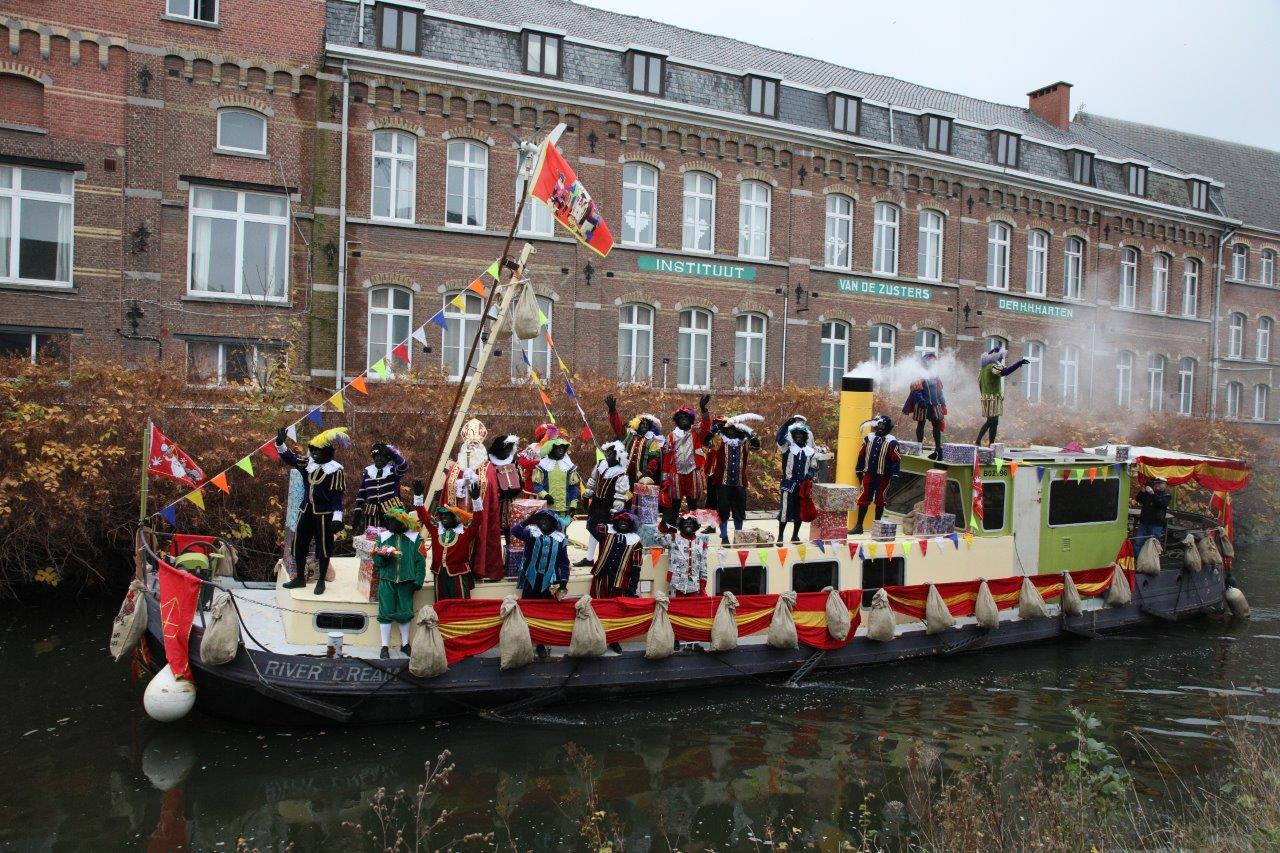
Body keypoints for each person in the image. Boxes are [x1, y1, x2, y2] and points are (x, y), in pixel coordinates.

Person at [275, 427, 347, 595]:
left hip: (324, 515)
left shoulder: (335, 470)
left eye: (319, 452)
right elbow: (291, 459)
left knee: (323, 547)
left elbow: (337, 496)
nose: (315, 455)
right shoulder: (308, 464)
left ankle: (321, 580)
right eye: (313, 452)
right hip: (306, 510)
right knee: (299, 543)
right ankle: (300, 577)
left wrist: (337, 518)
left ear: (328, 452)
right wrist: (280, 444)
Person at [510, 509, 572, 659]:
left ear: (553, 522)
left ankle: (541, 644)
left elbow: (564, 562)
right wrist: (528, 520)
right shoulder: (531, 533)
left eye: (547, 520)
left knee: (544, 614)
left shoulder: (560, 539)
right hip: (531, 580)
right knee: (527, 612)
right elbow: (514, 531)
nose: (543, 522)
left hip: (549, 583)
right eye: (541, 520)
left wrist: (563, 580)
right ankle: (525, 642)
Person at [371, 507, 426, 659]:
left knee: (405, 613)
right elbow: (376, 561)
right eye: (389, 520)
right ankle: (384, 646)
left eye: (393, 521)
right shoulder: (382, 537)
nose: (389, 523)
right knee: (385, 613)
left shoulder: (415, 538)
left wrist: (419, 580)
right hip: (387, 581)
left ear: (402, 523)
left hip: (406, 582)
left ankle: (405, 644)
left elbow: (420, 562)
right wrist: (384, 557)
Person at [413, 481, 479, 601]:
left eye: (447, 515)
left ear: (456, 518)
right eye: (442, 515)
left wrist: (476, 500)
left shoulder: (465, 532)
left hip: (458, 575)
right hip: (440, 575)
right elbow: (424, 516)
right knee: (442, 606)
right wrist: (418, 496)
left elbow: (478, 520)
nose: (443, 518)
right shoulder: (436, 529)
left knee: (461, 607)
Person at [707, 413, 763, 545]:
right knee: (723, 510)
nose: (732, 431)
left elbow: (757, 445)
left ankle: (738, 536)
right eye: (729, 429)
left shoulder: (744, 442)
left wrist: (750, 434)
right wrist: (712, 431)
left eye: (735, 429)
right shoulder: (719, 440)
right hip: (722, 482)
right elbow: (705, 443)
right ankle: (724, 537)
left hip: (739, 482)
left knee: (739, 511)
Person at [660, 397, 712, 525]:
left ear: (690, 419)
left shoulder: (696, 431)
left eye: (686, 417)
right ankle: (673, 528)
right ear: (677, 421)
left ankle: (692, 529)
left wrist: (704, 410)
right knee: (675, 504)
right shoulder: (671, 435)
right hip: (676, 474)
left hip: (693, 472)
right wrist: (665, 478)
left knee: (693, 503)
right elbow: (667, 457)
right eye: (680, 418)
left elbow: (706, 427)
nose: (683, 419)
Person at [579, 440, 630, 567]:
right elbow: (593, 481)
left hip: (608, 505)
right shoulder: (601, 465)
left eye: (612, 454)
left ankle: (607, 554)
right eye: (608, 453)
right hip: (597, 502)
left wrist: (616, 510)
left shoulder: (621, 473)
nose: (609, 456)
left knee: (600, 529)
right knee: (591, 527)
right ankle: (590, 558)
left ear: (618, 456)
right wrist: (587, 495)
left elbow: (620, 495)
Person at [851, 416, 902, 535]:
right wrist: (859, 469)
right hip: (869, 474)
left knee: (880, 499)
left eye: (883, 427)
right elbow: (861, 455)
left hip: (885, 476)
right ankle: (859, 526)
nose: (880, 429)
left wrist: (895, 475)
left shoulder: (892, 442)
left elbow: (896, 460)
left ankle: (877, 527)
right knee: (864, 498)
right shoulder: (868, 438)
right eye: (879, 426)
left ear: (888, 428)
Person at [974, 346, 1030, 446]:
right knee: (991, 421)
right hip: (993, 398)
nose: (1001, 359)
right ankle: (978, 441)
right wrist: (1018, 363)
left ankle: (991, 444)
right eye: (1000, 357)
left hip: (987, 398)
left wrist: (983, 395)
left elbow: (980, 385)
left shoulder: (982, 369)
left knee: (994, 422)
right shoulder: (992, 367)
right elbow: (1005, 372)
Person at [776, 416, 818, 545]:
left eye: (801, 434)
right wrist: (786, 424)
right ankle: (780, 537)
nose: (799, 436)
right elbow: (779, 438)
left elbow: (813, 466)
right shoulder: (787, 448)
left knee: (799, 511)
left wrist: (810, 475)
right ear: (793, 435)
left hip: (802, 487)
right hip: (788, 485)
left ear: (805, 436)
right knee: (784, 511)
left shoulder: (810, 451)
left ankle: (795, 536)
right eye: (797, 434)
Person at [606, 395, 664, 484]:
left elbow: (654, 460)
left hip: (640, 478)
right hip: (622, 476)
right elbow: (617, 426)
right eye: (642, 423)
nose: (644, 425)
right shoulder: (628, 435)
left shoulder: (652, 442)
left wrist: (647, 473)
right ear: (637, 424)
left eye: (647, 424)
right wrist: (613, 411)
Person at [353, 442, 408, 530]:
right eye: (377, 456)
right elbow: (362, 493)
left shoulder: (392, 470)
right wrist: (358, 511)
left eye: (382, 456)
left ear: (387, 458)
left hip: (393, 512)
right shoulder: (368, 471)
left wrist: (393, 454)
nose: (379, 458)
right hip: (372, 513)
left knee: (391, 539)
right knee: (373, 539)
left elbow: (404, 466)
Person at [532, 436, 582, 532]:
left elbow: (573, 487)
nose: (561, 450)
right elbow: (537, 485)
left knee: (562, 534)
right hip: (546, 508)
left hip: (564, 508)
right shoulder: (542, 465)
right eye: (558, 447)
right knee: (546, 533)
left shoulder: (569, 466)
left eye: (563, 447)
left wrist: (573, 505)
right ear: (551, 449)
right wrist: (545, 495)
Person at [902, 352, 948, 458]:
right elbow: (917, 390)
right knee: (921, 424)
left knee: (936, 426)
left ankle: (937, 448)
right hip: (922, 404)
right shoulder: (920, 374)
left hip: (935, 404)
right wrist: (921, 401)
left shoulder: (935, 376)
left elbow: (939, 391)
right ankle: (919, 446)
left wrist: (943, 403)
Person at [657, 513, 709, 597]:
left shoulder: (702, 543)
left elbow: (703, 566)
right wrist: (663, 524)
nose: (688, 525)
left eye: (690, 523)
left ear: (695, 526)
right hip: (675, 584)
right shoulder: (673, 538)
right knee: (675, 608)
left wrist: (702, 586)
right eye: (685, 523)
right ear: (681, 525)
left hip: (694, 586)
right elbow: (658, 538)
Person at [1133, 478, 1172, 551]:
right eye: (1156, 483)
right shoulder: (1148, 494)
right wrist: (1142, 491)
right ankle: (1137, 559)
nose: (1157, 485)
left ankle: (1152, 561)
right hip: (1144, 522)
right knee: (1138, 542)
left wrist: (1152, 494)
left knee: (1153, 544)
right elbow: (1139, 499)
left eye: (1160, 484)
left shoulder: (1166, 496)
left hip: (1156, 524)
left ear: (1165, 485)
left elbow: (1161, 503)